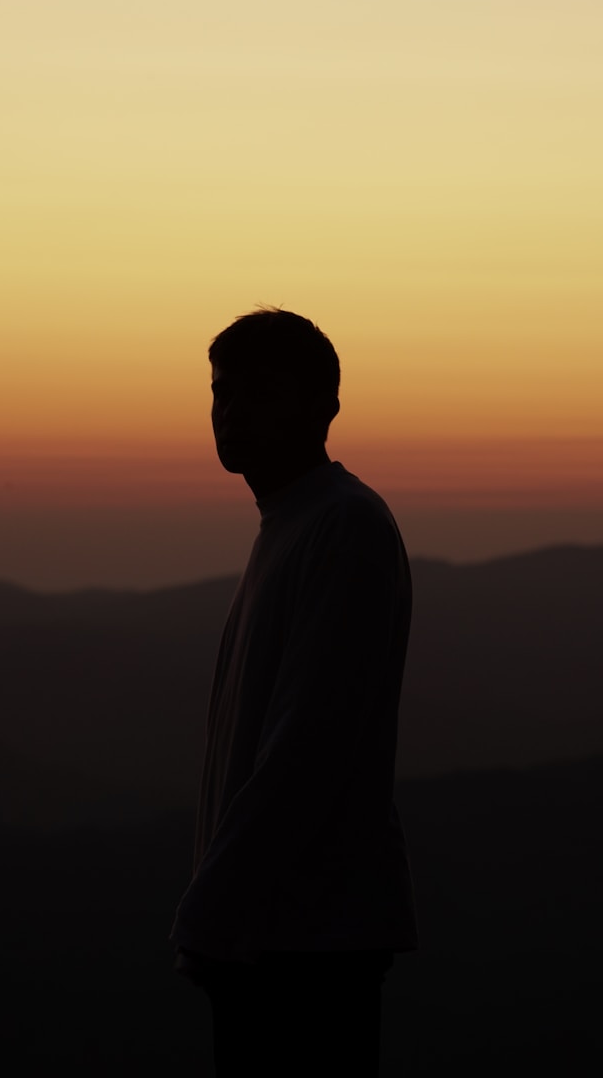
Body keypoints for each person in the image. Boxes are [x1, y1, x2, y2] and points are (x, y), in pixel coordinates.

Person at [170, 308, 416, 1076]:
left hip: (308, 944)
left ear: (323, 405)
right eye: (222, 392)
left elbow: (308, 744)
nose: (233, 411)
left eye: (259, 392)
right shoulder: (291, 525)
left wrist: (213, 908)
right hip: (272, 934)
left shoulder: (345, 528)